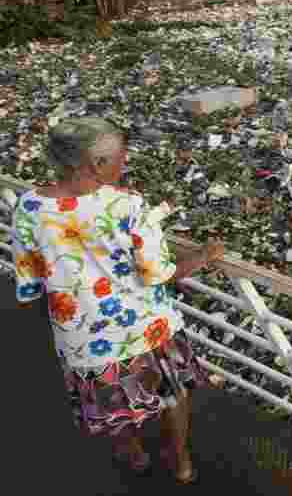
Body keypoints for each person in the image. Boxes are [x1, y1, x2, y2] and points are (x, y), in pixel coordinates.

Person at [12, 117, 225, 485]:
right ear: (95, 164)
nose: (123, 164)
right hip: (147, 329)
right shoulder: (127, 204)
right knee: (172, 395)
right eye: (120, 158)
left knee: (113, 406)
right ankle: (182, 463)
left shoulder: (28, 207)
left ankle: (136, 457)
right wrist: (203, 257)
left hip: (84, 341)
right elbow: (159, 273)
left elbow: (29, 284)